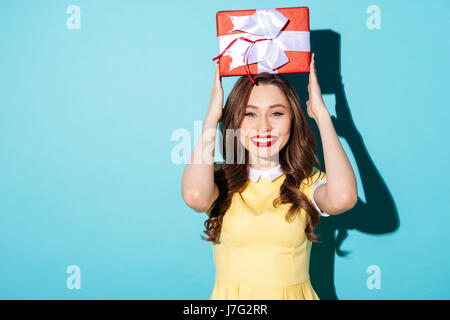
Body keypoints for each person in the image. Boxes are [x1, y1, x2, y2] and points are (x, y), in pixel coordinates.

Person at [181, 53, 358, 300]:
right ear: (234, 121)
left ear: (293, 120)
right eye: (249, 114)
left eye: (276, 114)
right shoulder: (219, 179)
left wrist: (321, 115)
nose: (263, 126)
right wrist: (212, 116)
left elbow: (344, 198)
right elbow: (195, 196)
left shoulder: (306, 181)